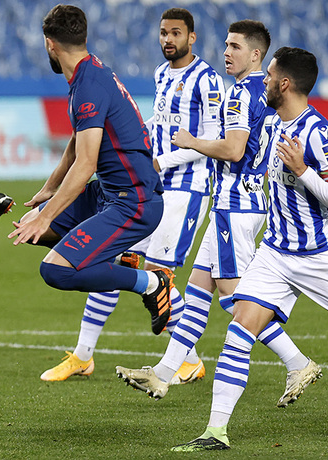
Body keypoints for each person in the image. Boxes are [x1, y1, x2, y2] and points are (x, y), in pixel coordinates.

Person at [172, 47, 328, 452]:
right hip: (275, 254)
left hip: (320, 256)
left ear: (284, 84)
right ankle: (215, 433)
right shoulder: (274, 124)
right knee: (239, 328)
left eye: (268, 76)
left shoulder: (319, 133)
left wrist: (303, 171)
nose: (261, 81)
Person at [116, 20, 313, 407]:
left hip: (235, 206)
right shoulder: (268, 94)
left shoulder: (240, 93)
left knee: (235, 299)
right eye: (225, 44)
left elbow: (235, 149)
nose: (226, 51)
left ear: (255, 55)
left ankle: (298, 361)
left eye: (235, 46)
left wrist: (193, 141)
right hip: (245, 202)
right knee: (198, 290)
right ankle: (164, 374)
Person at [40, 8, 221, 383]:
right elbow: (157, 121)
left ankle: (187, 358)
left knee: (158, 273)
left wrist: (160, 161)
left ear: (192, 37)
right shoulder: (161, 74)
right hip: (149, 180)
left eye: (176, 33)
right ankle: (83, 354)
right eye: (163, 33)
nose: (168, 40)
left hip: (186, 186)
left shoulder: (207, 80)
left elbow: (212, 138)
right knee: (116, 260)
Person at [8, 4, 173, 340]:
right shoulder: (92, 70)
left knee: (55, 270)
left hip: (135, 203)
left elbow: (85, 164)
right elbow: (77, 139)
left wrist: (46, 215)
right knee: (40, 230)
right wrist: (49, 190)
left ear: (49, 44)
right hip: (109, 194)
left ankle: (152, 283)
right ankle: (114, 256)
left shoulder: (88, 86)